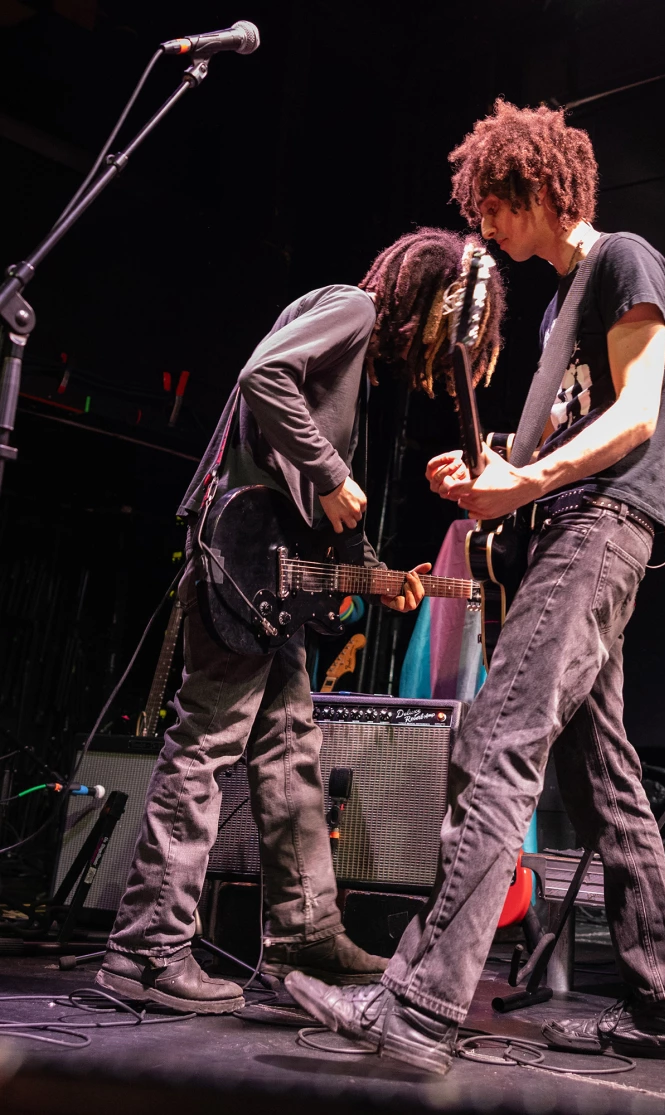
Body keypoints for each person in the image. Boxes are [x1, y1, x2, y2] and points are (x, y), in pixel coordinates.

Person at [285, 100, 665, 1073]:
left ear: (538, 188)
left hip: (599, 530)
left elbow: (638, 412)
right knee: (601, 780)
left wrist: (525, 479)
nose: (486, 228)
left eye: (496, 207)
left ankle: (421, 1004)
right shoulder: (558, 305)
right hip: (566, 531)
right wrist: (486, 481)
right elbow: (532, 452)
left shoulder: (622, 260)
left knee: (497, 743)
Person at [96, 228, 504, 1015]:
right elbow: (262, 375)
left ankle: (305, 931)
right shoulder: (351, 308)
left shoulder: (353, 348)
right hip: (241, 560)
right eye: (445, 321)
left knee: (290, 749)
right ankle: (144, 951)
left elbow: (317, 507)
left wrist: (380, 575)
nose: (437, 345)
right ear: (426, 294)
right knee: (205, 746)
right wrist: (332, 471)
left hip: (268, 571)